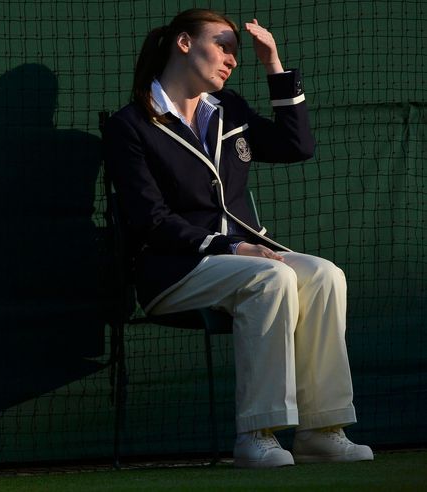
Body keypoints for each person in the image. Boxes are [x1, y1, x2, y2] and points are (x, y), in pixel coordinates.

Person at [103, 8, 374, 468]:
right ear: (184, 43)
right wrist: (232, 246)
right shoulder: (131, 124)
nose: (232, 58)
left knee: (326, 274)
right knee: (271, 278)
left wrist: (274, 65)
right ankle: (257, 434)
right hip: (173, 269)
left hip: (245, 259)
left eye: (237, 51)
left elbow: (297, 147)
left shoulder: (230, 110)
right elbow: (151, 221)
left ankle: (322, 429)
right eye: (222, 45)